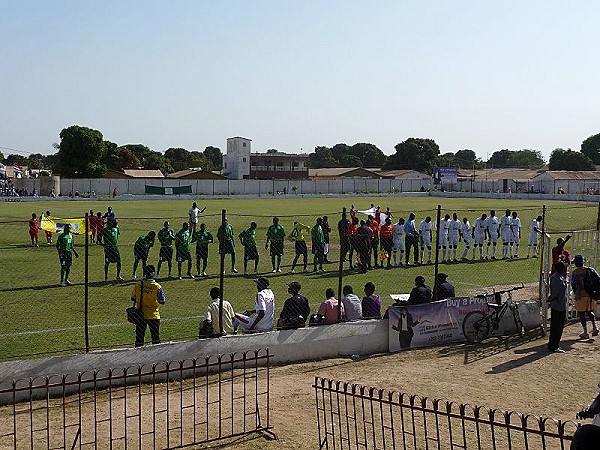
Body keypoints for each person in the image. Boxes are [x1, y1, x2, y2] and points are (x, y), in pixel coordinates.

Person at [131, 265, 166, 347]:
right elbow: (162, 301)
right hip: (153, 315)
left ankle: (138, 355)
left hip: (140, 315)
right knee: (155, 338)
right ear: (153, 273)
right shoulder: (157, 286)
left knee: (139, 338)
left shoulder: (138, 284)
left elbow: (133, 298)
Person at [571, 255, 599, 339]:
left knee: (581, 313)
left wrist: (576, 293)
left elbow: (573, 284)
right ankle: (595, 327)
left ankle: (585, 332)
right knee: (590, 311)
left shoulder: (574, 273)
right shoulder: (590, 270)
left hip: (580, 295)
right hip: (590, 295)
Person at [547, 261, 568, 353]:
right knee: (557, 326)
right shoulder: (557, 278)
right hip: (558, 305)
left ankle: (553, 344)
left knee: (556, 326)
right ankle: (554, 345)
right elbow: (555, 292)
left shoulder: (558, 277)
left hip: (559, 304)